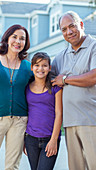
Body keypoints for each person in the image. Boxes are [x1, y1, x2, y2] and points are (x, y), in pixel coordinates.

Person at [51, 11, 96, 170]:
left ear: (81, 25)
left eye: (72, 26)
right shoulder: (60, 57)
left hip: (91, 121)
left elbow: (93, 77)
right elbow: (43, 77)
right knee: (75, 167)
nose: (69, 32)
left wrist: (65, 79)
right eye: (64, 29)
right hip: (69, 124)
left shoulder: (93, 46)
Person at [0, 24, 33, 170]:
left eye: (22, 39)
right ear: (7, 39)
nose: (18, 42)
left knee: (12, 166)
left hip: (19, 121)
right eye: (15, 37)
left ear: (25, 43)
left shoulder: (28, 67)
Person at [24, 52, 63, 170]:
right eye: (37, 65)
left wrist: (54, 140)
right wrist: (23, 141)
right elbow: (26, 113)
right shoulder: (26, 87)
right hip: (31, 139)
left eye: (44, 65)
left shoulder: (55, 87)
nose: (40, 69)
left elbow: (59, 114)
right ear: (32, 67)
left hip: (49, 139)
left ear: (49, 68)